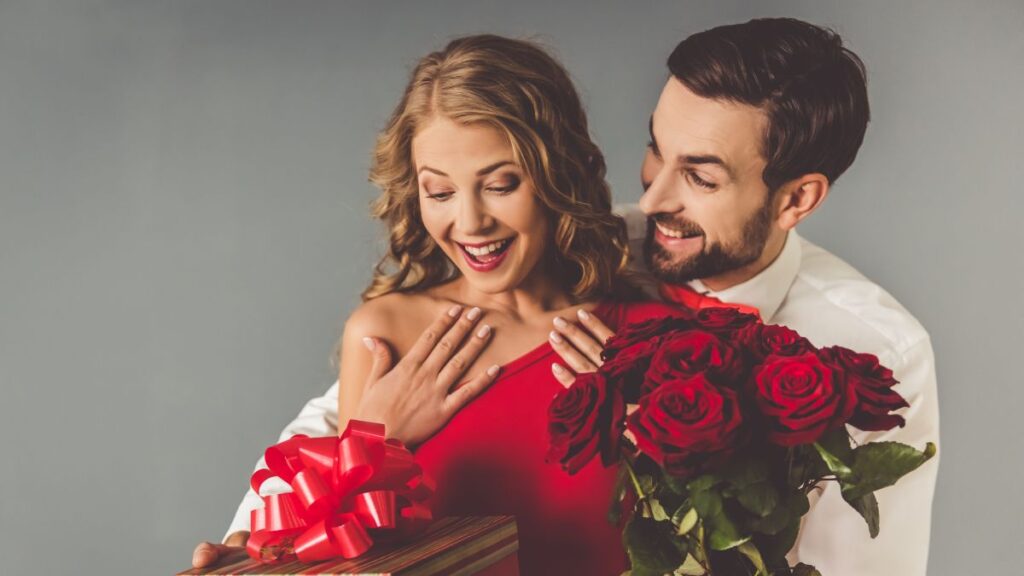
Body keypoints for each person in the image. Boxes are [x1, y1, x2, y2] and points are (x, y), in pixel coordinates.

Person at [201, 18, 940, 576]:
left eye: (702, 177)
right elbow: (342, 422)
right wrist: (258, 544)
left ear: (796, 198)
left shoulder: (874, 347)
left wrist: (668, 446)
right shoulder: (610, 247)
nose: (651, 197)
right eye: (655, 149)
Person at [192, 34, 684, 575]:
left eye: (500, 185)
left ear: (559, 174)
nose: (470, 223)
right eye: (441, 192)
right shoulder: (387, 334)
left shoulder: (649, 334)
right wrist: (373, 441)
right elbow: (344, 558)